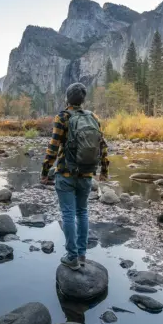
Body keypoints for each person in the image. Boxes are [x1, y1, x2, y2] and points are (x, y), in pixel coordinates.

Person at [41, 82, 109, 270]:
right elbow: (102, 145)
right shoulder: (93, 117)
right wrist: (104, 170)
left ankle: (71, 257)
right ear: (83, 99)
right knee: (82, 212)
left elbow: (53, 148)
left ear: (67, 99)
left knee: (69, 214)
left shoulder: (62, 117)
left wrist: (45, 172)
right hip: (86, 174)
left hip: (66, 173)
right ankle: (82, 254)